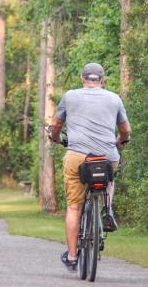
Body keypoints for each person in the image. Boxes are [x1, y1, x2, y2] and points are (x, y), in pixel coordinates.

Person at [47, 62, 131, 271]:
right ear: (102, 80)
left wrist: (55, 138)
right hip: (106, 155)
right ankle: (108, 207)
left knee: (74, 207)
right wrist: (121, 140)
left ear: (82, 78)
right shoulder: (114, 98)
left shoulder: (70, 96)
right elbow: (125, 129)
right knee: (110, 176)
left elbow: (56, 125)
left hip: (78, 156)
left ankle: (73, 257)